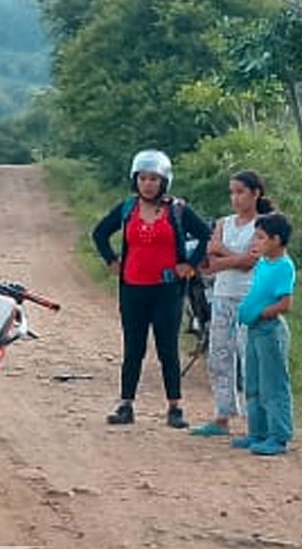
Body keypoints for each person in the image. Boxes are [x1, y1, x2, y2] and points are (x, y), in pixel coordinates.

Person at [92, 149, 211, 428]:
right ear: (136, 180)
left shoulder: (177, 209)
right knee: (133, 348)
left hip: (167, 289)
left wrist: (190, 264)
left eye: (154, 179)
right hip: (133, 288)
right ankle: (126, 404)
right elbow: (99, 233)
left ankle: (175, 407)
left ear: (164, 181)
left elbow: (205, 233)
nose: (148, 184)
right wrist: (111, 260)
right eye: (143, 178)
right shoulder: (127, 209)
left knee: (167, 347)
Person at [189, 171, 272, 438]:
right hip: (223, 295)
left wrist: (223, 253)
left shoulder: (264, 224)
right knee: (219, 356)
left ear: (255, 193)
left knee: (250, 359)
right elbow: (212, 264)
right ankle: (223, 414)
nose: (235, 198)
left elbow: (251, 261)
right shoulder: (225, 223)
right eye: (232, 193)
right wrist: (234, 258)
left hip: (251, 297)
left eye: (240, 192)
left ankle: (255, 420)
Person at [233, 213, 297, 457]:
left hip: (270, 331)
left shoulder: (283, 266)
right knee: (253, 382)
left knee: (273, 384)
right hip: (254, 330)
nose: (255, 242)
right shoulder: (263, 263)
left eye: (260, 238)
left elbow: (285, 303)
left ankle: (279, 435)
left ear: (276, 240)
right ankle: (257, 431)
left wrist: (262, 313)